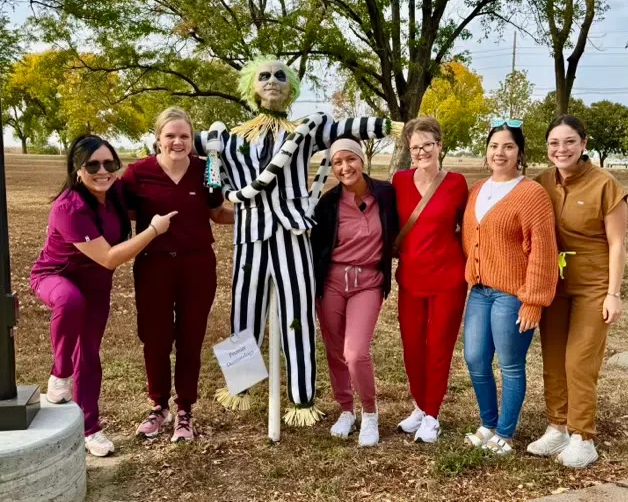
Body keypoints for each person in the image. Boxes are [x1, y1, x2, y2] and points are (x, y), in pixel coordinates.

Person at [194, 55, 402, 425]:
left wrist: (388, 126)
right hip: (250, 235)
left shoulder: (302, 132)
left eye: (280, 75)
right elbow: (182, 144)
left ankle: (301, 400)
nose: (272, 81)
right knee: (243, 313)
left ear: (291, 86)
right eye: (264, 76)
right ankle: (240, 387)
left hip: (292, 235)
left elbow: (343, 128)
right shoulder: (229, 137)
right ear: (251, 86)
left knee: (298, 316)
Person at [30, 135, 176, 457]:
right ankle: (60, 373)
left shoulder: (116, 193)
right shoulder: (69, 207)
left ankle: (89, 429)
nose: (102, 171)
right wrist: (153, 231)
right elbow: (109, 258)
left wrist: (176, 152)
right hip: (55, 276)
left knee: (89, 354)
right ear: (77, 168)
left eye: (110, 164)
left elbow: (149, 180)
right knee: (70, 302)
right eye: (93, 165)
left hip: (96, 284)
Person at [122, 107, 234, 443]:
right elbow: (121, 213)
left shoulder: (207, 168)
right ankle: (158, 407)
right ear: (158, 138)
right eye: (170, 135)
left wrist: (258, 213)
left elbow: (217, 212)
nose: (177, 142)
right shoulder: (138, 173)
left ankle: (185, 410)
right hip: (153, 265)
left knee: (190, 338)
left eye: (184, 136)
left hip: (197, 265)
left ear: (192, 139)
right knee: (155, 338)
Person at [527, 115, 628, 468]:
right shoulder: (541, 183)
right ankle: (557, 427)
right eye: (554, 143)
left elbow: (618, 244)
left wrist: (613, 293)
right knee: (554, 358)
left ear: (584, 144)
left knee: (579, 361)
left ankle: (583, 436)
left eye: (570, 141)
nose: (562, 149)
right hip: (554, 284)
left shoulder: (605, 185)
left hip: (593, 285)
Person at [461, 119, 558, 455]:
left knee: (510, 364)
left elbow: (543, 251)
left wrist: (534, 301)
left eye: (508, 146)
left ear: (519, 152)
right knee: (475, 359)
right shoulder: (477, 190)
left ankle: (505, 432)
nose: (499, 152)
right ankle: (488, 424)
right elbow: (471, 238)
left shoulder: (532, 194)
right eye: (494, 146)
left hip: (513, 294)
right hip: (479, 291)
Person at [311, 138, 399, 447]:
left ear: (362, 161)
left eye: (351, 159)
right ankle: (346, 410)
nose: (345, 167)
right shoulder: (328, 203)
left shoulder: (385, 194)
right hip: (332, 282)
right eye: (337, 162)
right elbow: (315, 246)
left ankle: (370, 413)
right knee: (335, 350)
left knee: (355, 352)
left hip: (368, 281)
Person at [392, 117, 469, 443]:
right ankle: (420, 406)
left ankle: (433, 415)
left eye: (427, 145)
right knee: (412, 347)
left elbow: (468, 228)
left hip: (448, 280)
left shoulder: (456, 183)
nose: (421, 151)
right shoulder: (399, 181)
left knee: (438, 347)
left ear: (439, 146)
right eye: (415, 147)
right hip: (411, 278)